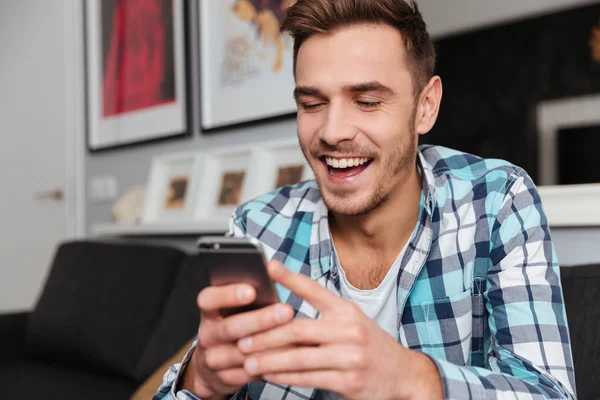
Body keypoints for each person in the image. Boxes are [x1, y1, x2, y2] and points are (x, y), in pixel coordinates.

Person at [154, 1, 577, 399]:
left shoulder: (497, 201)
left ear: (425, 106)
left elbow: (548, 392)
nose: (333, 130)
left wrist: (407, 375)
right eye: (312, 103)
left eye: (367, 101)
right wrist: (202, 380)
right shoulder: (259, 227)